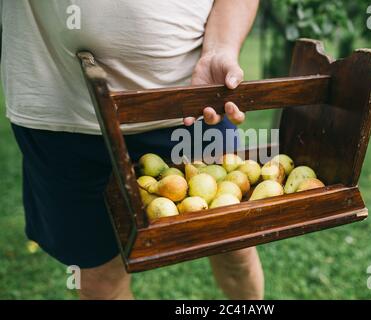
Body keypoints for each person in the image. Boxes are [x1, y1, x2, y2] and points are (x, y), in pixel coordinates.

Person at [1, 0, 263, 299]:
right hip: (69, 114)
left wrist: (221, 48)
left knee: (236, 250)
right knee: (99, 275)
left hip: (194, 102)